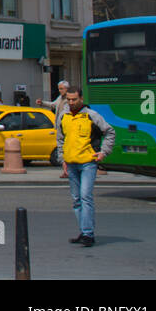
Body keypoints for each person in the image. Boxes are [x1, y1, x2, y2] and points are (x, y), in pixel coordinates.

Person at [56, 85, 116, 247]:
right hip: (71, 163)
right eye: (68, 99)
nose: (71, 102)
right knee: (76, 200)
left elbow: (110, 132)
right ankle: (84, 231)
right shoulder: (63, 116)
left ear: (81, 99)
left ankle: (88, 234)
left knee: (85, 196)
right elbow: (61, 140)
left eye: (74, 99)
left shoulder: (91, 115)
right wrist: (63, 160)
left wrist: (103, 152)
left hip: (88, 162)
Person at [37, 80, 72, 178]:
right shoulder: (60, 98)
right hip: (60, 127)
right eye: (59, 89)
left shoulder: (70, 99)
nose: (60, 91)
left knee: (67, 149)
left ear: (67, 89)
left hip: (67, 127)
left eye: (61, 89)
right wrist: (42, 103)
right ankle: (66, 171)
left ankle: (69, 170)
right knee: (61, 149)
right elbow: (53, 104)